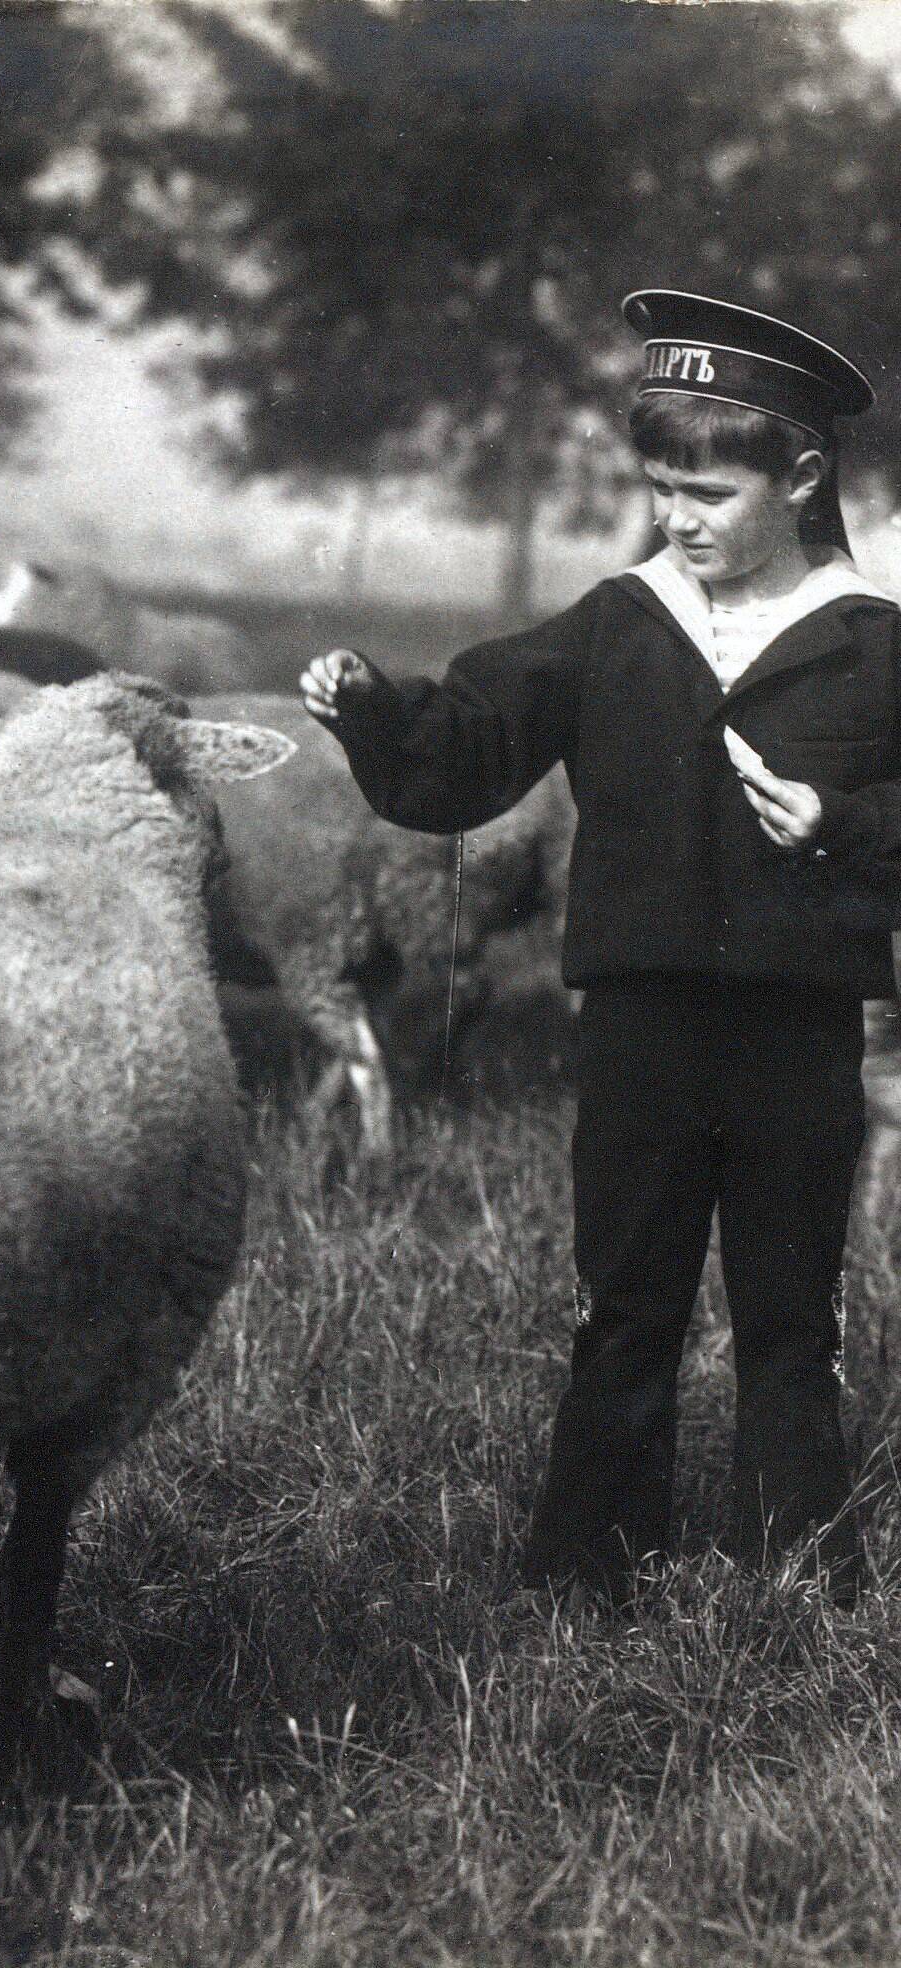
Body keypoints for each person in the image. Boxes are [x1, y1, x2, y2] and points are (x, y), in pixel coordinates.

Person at [299, 290, 901, 1602]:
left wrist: (848, 827)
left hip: (798, 1035)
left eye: (706, 490)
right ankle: (588, 1575)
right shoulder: (619, 622)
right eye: (659, 487)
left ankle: (796, 1568)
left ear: (800, 475)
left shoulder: (874, 645)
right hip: (638, 1028)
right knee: (626, 1304)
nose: (676, 518)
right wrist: (371, 708)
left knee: (790, 1315)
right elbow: (457, 765)